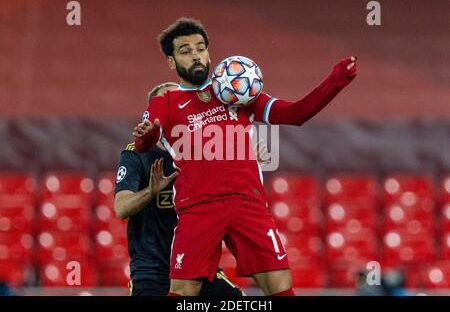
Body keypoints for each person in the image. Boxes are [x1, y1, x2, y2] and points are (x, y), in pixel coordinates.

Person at [133, 18, 357, 296]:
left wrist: (336, 80)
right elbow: (144, 142)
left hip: (247, 202)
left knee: (280, 287)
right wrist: (148, 134)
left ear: (209, 53)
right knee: (183, 290)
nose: (195, 55)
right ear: (171, 61)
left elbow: (296, 114)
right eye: (185, 50)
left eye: (200, 48)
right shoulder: (165, 102)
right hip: (198, 207)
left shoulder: (236, 90)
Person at [114, 82, 244, 296]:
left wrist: (247, 162)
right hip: (153, 274)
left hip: (199, 270)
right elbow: (121, 208)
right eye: (166, 103)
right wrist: (151, 191)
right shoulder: (135, 156)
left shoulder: (204, 152)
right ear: (151, 115)